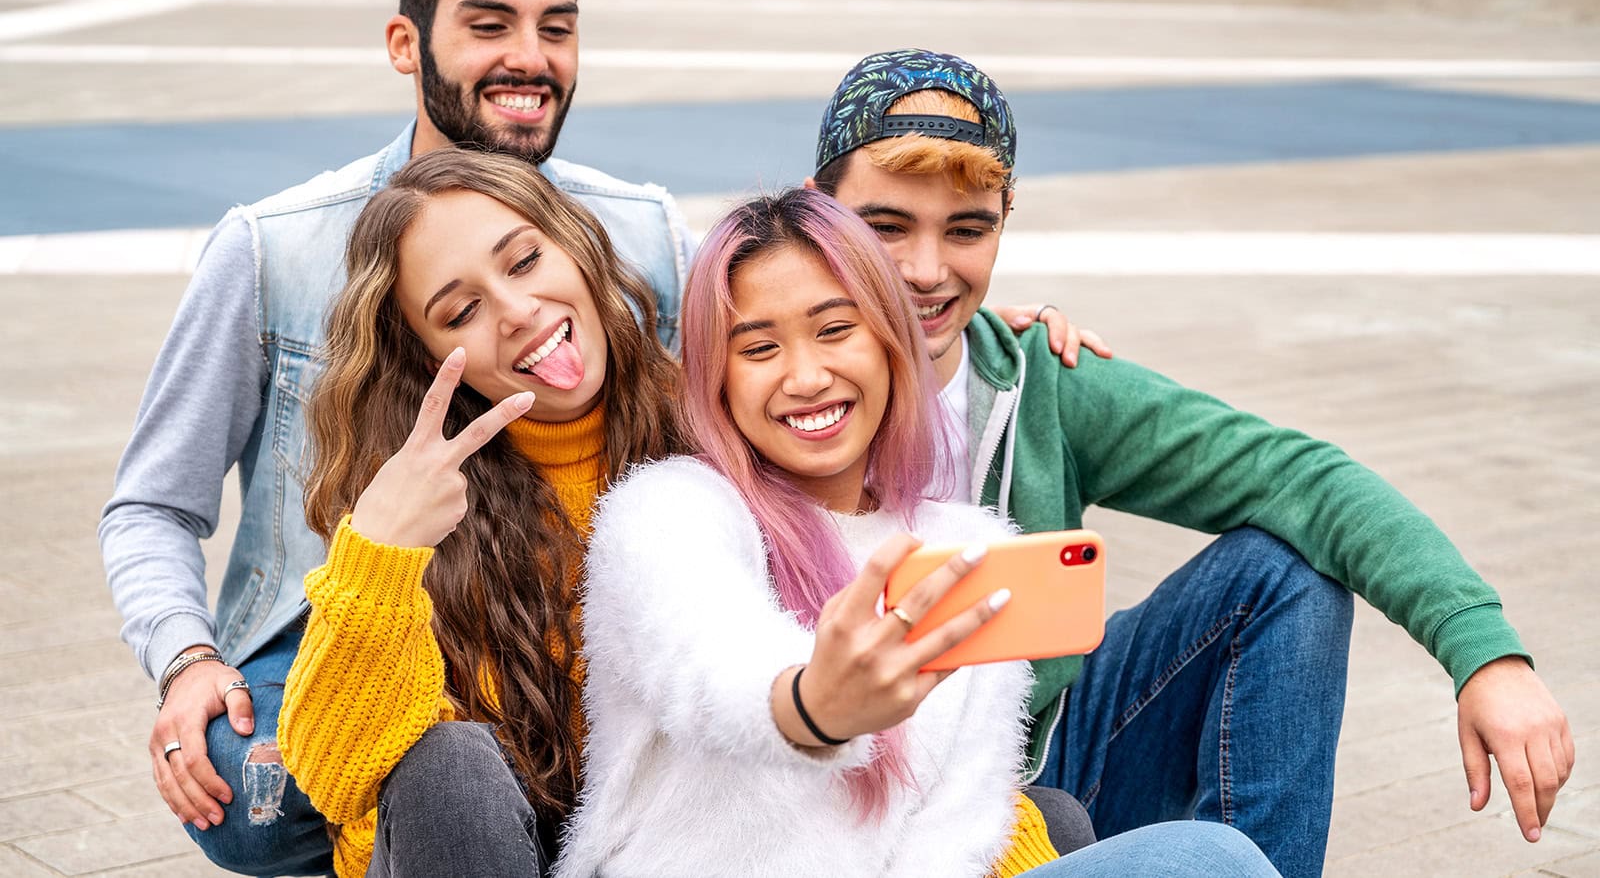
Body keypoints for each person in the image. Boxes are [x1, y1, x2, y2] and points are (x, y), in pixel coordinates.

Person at [804, 48, 1576, 877]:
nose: (926, 271)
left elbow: (1301, 478)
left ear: (1005, 219)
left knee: (1285, 570)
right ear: (820, 211)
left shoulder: (1037, 381)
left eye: (967, 229)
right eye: (886, 227)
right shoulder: (747, 371)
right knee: (1208, 862)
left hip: (1026, 772)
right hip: (836, 804)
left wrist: (1485, 653)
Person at [97, 0, 694, 875]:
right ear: (405, 43)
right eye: (489, 24)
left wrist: (961, 320)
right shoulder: (276, 245)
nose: (530, 58)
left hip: (574, 626)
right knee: (260, 789)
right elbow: (151, 505)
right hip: (355, 607)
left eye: (558, 27)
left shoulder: (641, 231)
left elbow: (793, 317)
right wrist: (185, 659)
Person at [551, 188, 1280, 878]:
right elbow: (704, 662)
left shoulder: (967, 546)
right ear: (718, 378)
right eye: (759, 347)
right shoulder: (670, 508)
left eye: (836, 329)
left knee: (1210, 856)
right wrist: (811, 704)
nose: (805, 375)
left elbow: (952, 837)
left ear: (892, 344)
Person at [273, 146, 684, 877]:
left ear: (577, 245)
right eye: (462, 310)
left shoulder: (704, 423)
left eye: (524, 261)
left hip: (663, 844)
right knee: (450, 763)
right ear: (430, 357)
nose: (519, 311)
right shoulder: (415, 499)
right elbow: (331, 775)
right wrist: (381, 548)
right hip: (480, 849)